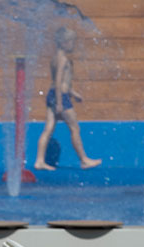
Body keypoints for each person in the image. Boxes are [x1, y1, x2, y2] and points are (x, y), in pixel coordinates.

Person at [34, 25, 101, 171]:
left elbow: (59, 83)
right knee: (74, 128)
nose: (73, 45)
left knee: (48, 129)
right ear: (64, 43)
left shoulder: (54, 59)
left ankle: (39, 160)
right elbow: (59, 81)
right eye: (71, 42)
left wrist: (73, 93)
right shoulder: (63, 59)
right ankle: (84, 160)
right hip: (60, 97)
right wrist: (60, 102)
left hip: (52, 94)